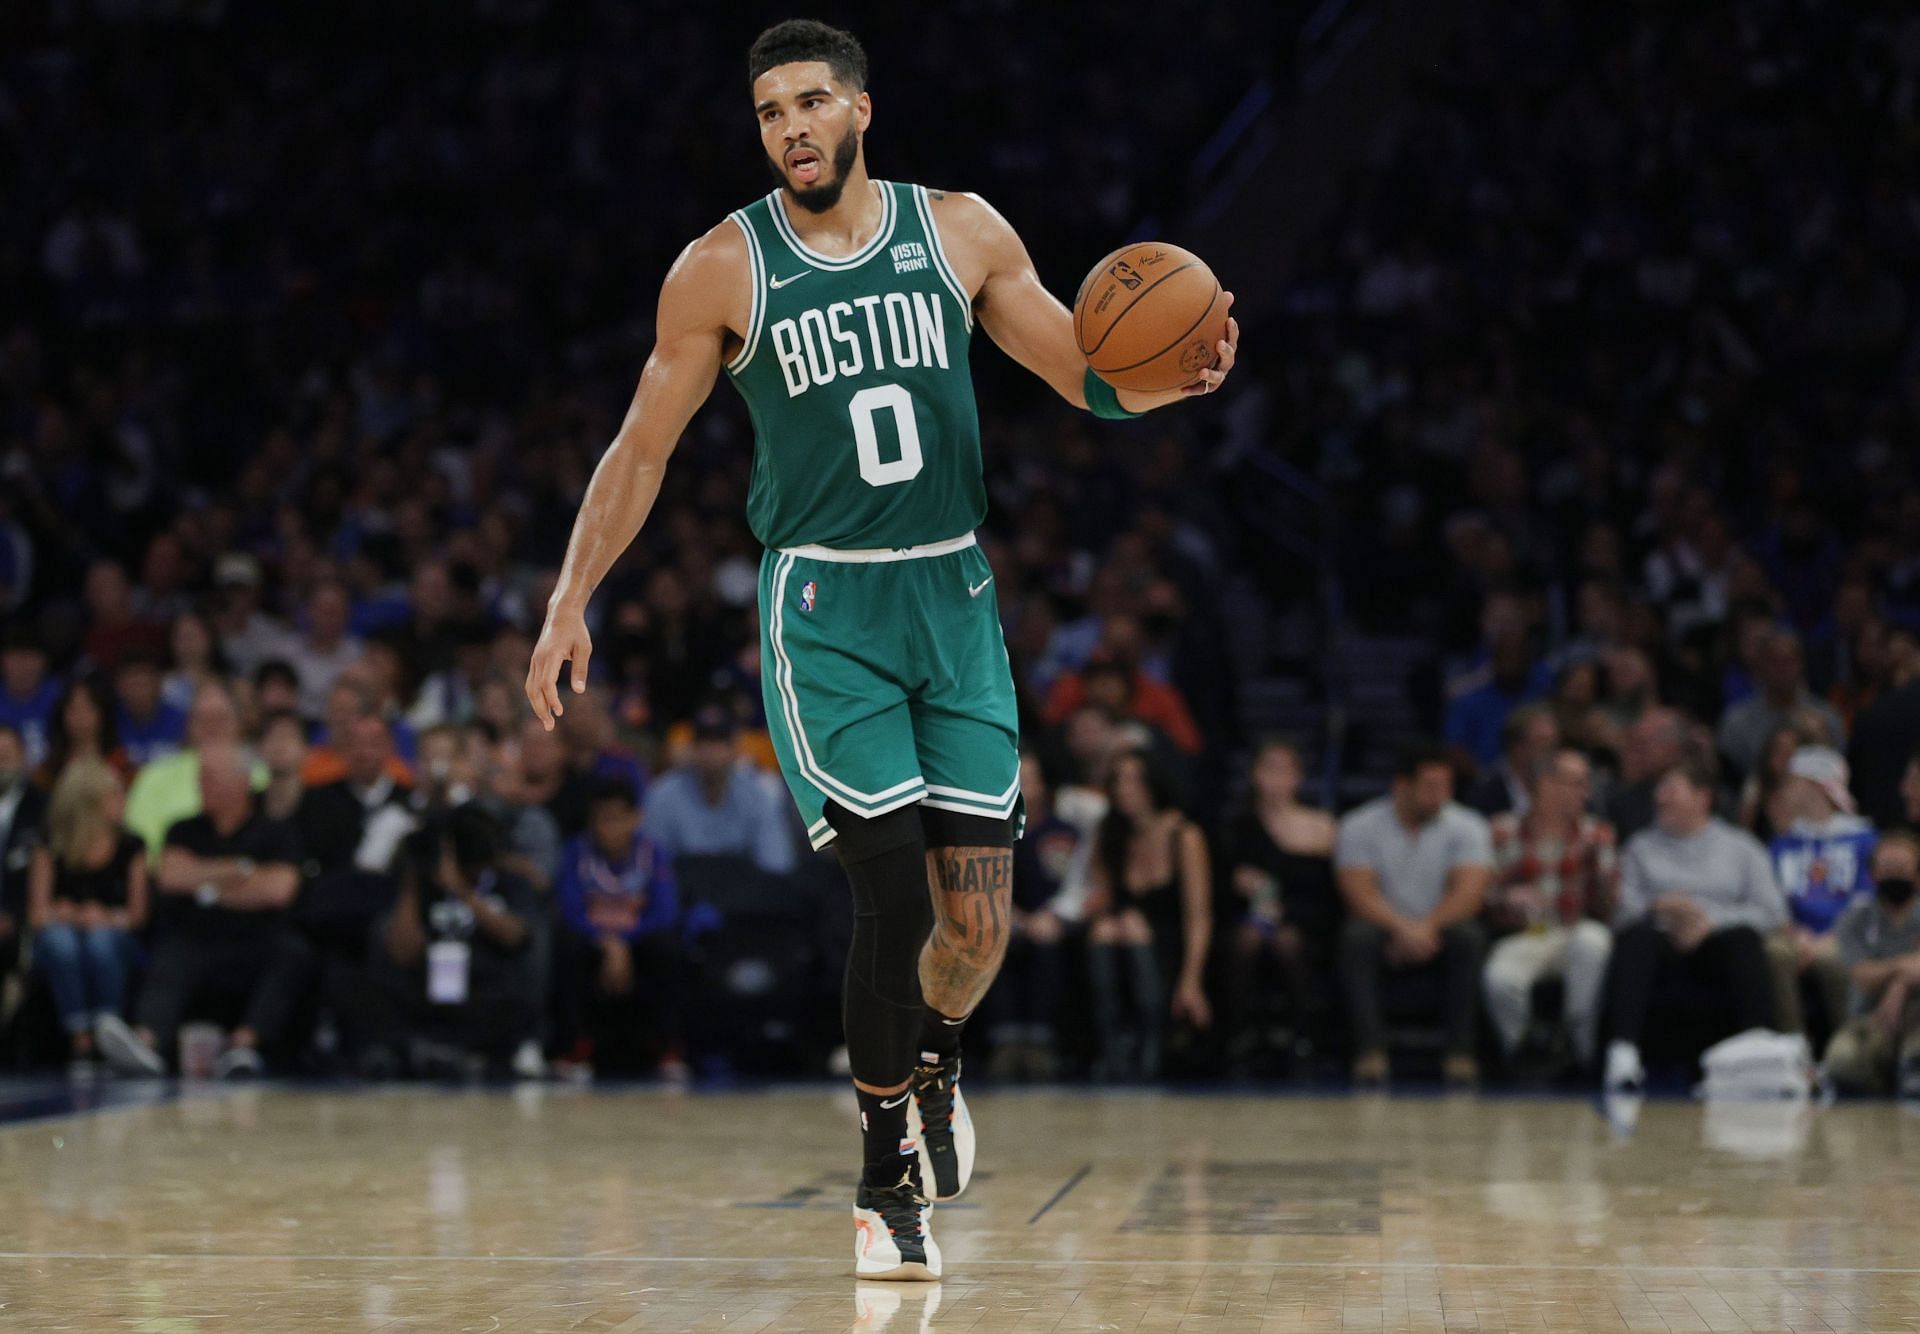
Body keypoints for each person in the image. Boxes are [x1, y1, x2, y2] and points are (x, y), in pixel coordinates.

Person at [520, 19, 1238, 1281]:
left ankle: (936, 1057)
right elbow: (641, 450)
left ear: (861, 109)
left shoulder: (961, 229)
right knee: (891, 896)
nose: (790, 126)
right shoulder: (718, 269)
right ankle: (880, 1180)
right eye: (767, 112)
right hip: (825, 612)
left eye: (810, 102)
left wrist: (1166, 384)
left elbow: (1081, 368)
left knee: (976, 929)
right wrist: (570, 594)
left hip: (952, 595)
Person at [96, 743, 312, 1078]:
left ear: (240, 783)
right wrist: (240, 871)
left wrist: (203, 883)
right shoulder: (183, 828)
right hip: (196, 937)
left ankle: (244, 1045)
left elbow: (278, 890)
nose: (200, 785)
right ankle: (146, 1041)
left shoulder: (276, 831)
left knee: (292, 953)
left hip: (255, 940)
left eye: (210, 777)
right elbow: (169, 876)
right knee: (172, 952)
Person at [1602, 761, 1787, 1092]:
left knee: (1745, 939)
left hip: (1717, 944)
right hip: (1659, 941)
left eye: (1671, 789)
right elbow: (1620, 913)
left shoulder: (1741, 847)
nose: (1660, 796)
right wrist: (1656, 908)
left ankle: (1759, 1054)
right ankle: (1623, 1053)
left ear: (1702, 798)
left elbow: (1772, 911)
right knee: (1636, 939)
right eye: (1659, 789)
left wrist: (1711, 922)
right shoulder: (1639, 847)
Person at [1336, 742, 1492, 1088]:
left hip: (1442, 925)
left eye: (1446, 787)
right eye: (1430, 787)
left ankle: (1460, 1053)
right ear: (1401, 786)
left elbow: (1469, 893)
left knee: (1470, 936)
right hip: (1384, 925)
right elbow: (1358, 893)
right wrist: (1402, 929)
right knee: (1356, 937)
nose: (1440, 796)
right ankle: (1370, 1051)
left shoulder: (1469, 826)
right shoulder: (1359, 825)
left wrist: (1426, 928)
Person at [359, 804, 540, 1078]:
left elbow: (515, 937)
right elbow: (402, 952)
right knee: (361, 986)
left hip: (481, 994)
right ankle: (426, 1050)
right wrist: (412, 880)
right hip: (425, 995)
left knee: (516, 1003)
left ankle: (447, 1053)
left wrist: (461, 890)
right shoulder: (420, 883)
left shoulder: (507, 881)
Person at [1482, 747, 1618, 1071]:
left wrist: (1601, 877)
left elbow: (1611, 906)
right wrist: (1507, 898)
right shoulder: (1502, 830)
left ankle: (1580, 1050)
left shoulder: (1597, 834)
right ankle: (1523, 1056)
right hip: (1524, 934)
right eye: (1576, 783)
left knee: (1593, 942)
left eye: (1586, 784)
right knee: (1500, 979)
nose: (1584, 793)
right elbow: (1482, 895)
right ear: (1545, 785)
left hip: (1575, 931)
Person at [1082, 749, 1212, 1080]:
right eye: (1119, 781)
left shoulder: (1183, 834)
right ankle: (1112, 1047)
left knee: (1134, 927)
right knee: (1107, 929)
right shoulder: (1110, 831)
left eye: (1136, 780)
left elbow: (1198, 917)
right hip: (1122, 944)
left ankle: (1152, 1043)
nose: (1126, 789)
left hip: (1170, 947)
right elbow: (1098, 895)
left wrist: (1191, 980)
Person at [553, 779, 684, 1077]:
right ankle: (574, 1048)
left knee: (666, 946)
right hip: (592, 941)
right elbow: (571, 910)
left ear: (635, 818)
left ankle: (666, 1048)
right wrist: (608, 942)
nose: (608, 828)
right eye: (601, 819)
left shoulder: (653, 855)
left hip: (637, 942)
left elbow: (665, 912)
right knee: (567, 944)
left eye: (617, 819)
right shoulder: (577, 852)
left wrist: (623, 941)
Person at [26, 759, 147, 1070]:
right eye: (115, 794)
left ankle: (108, 1033)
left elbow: (137, 916)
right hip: (64, 936)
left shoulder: (131, 844)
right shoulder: (51, 843)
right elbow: (38, 915)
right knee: (61, 940)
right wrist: (63, 913)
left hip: (113, 938)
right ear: (89, 801)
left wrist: (105, 917)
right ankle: (80, 1039)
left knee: (100, 941)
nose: (124, 800)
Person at [1222, 738, 1338, 1062]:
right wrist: (1239, 882)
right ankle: (1240, 1032)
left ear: (1298, 777)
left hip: (1306, 915)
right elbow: (1224, 879)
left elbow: (1329, 888)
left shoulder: (1322, 825)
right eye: (1268, 769)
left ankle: (1302, 1033)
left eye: (1284, 770)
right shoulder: (1239, 825)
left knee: (1288, 940)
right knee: (1250, 937)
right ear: (1254, 775)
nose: (1276, 779)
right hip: (1253, 914)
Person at [1766, 746, 1876, 1037]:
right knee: (1774, 952)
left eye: (1792, 782)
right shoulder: (1782, 843)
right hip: (1793, 936)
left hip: (1843, 935)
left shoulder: (1863, 840)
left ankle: (1850, 1047)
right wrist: (1795, 934)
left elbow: (1867, 901)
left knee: (1834, 958)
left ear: (1816, 786)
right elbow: (1771, 900)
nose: (1784, 791)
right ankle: (1792, 1047)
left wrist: (1827, 939)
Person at [641, 704, 797, 875]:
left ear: (735, 749)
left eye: (719, 742)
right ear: (691, 748)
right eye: (703, 742)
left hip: (744, 894)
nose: (711, 752)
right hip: (684, 895)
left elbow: (777, 865)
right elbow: (652, 871)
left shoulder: (757, 795)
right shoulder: (662, 796)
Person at [1823, 833, 1920, 1096]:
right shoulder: (1855, 918)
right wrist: (1905, 971)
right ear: (1873, 875)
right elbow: (1863, 975)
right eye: (1887, 870)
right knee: (1842, 1061)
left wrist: (1898, 986)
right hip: (1870, 1017)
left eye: (1902, 870)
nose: (1894, 877)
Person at [1717, 628, 1845, 781]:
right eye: (1775, 661)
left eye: (1788, 661)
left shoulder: (1827, 718)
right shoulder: (1736, 722)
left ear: (1801, 664)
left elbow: (1840, 771)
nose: (1782, 669)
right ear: (1761, 666)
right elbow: (1728, 784)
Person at [0, 725, 47, 976]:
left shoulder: (42, 809)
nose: (1, 764)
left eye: (7, 756)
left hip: (23, 920)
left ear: (24, 758)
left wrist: (13, 915)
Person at [1463, 704, 1558, 819]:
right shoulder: (1486, 787)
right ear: (1516, 745)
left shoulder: (1558, 783)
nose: (1548, 751)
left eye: (1552, 743)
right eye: (1541, 741)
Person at [112, 649, 187, 768]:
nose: (138, 693)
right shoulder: (109, 723)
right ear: (119, 687)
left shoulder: (181, 722)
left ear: (158, 684)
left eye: (143, 684)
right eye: (131, 685)